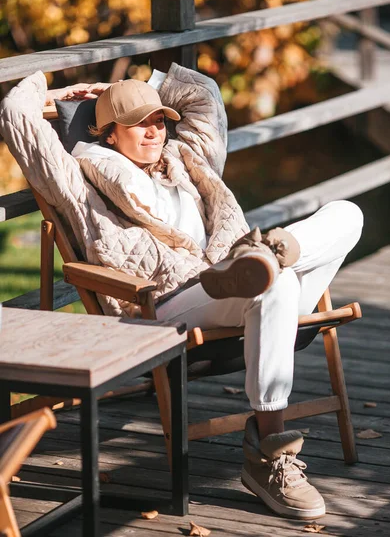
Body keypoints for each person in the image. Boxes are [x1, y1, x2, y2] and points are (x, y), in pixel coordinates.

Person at [51, 65, 363, 520]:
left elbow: (204, 95)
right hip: (168, 303)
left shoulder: (182, 158)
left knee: (346, 213)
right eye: (138, 123)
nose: (154, 131)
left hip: (235, 288)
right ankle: (270, 455)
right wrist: (52, 93)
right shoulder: (89, 170)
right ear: (109, 134)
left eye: (159, 120)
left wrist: (142, 90)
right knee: (274, 286)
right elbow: (19, 123)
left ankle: (272, 253)